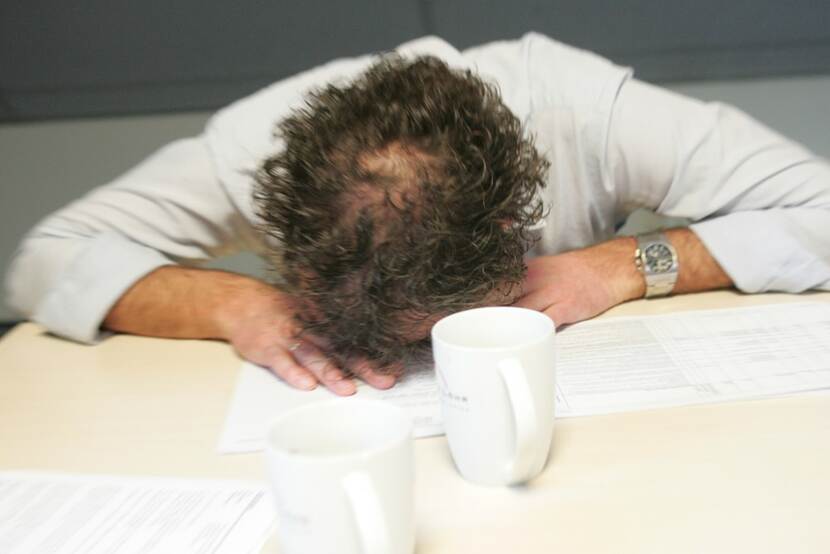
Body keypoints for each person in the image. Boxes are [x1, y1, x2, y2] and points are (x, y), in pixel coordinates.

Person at [6, 33, 830, 396]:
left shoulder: (585, 112)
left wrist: (624, 264)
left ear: (512, 233)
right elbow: (47, 256)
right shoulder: (254, 147)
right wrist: (230, 302)